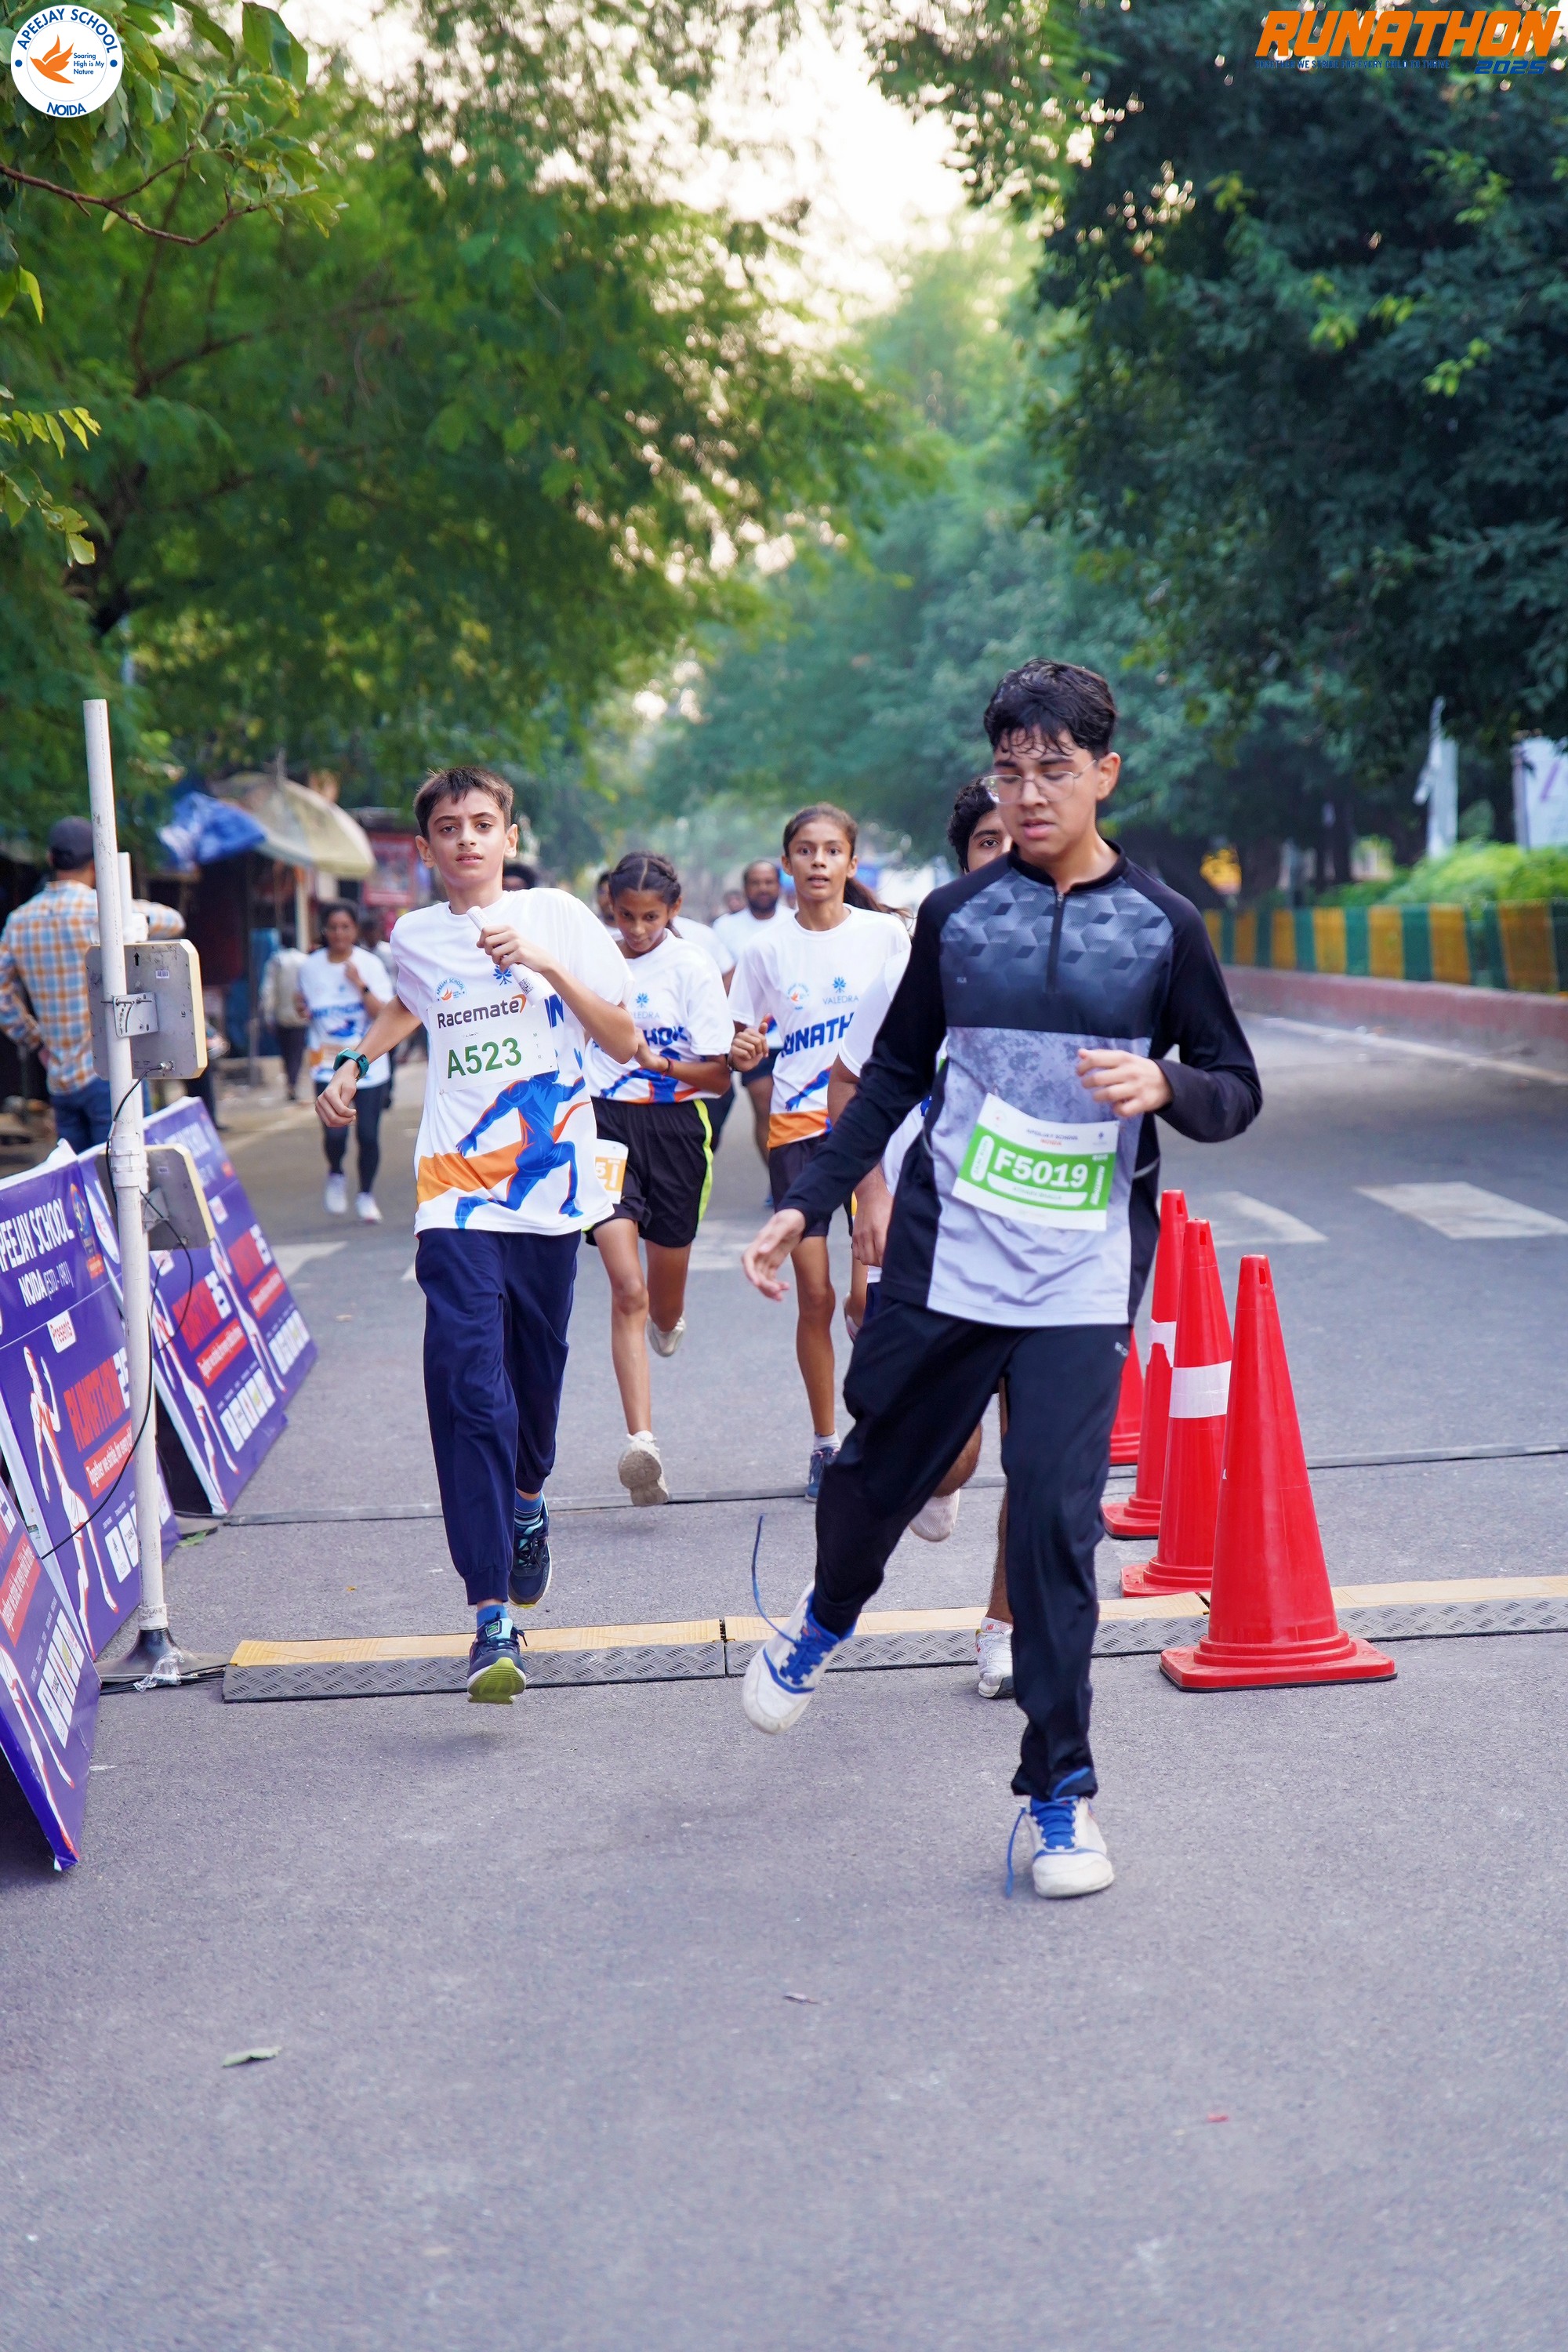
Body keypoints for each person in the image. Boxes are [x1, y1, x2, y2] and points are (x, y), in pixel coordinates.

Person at [738, 661, 1262, 1900]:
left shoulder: (1164, 927)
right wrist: (807, 1202)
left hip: (1082, 1270)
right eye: (1010, 772)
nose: (1029, 794)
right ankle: (827, 1612)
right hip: (951, 1253)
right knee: (875, 1469)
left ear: (1104, 774)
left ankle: (1059, 1797)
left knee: (1054, 1527)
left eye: (1055, 770)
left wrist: (1167, 1084)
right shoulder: (958, 918)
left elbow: (1235, 1087)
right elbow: (894, 1076)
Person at [316, 765, 634, 1704]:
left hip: (548, 1193)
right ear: (425, 850)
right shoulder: (414, 935)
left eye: (482, 824)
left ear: (508, 836)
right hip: (454, 1195)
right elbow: (408, 1003)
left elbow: (621, 1039)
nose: (466, 839)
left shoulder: (559, 917)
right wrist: (352, 1063)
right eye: (449, 827)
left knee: (533, 1388)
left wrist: (541, 964)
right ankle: (492, 1614)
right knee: (466, 1388)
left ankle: (529, 1499)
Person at [826, 777, 1011, 1558]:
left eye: (1019, 837)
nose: (1007, 855)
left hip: (1038, 1228)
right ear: (964, 860)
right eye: (987, 842)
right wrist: (870, 1195)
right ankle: (938, 1469)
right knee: (943, 1445)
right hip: (923, 1224)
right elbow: (845, 1083)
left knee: (1040, 1452)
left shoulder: (1088, 960)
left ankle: (1008, 1619)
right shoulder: (915, 962)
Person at [728, 807, 909, 1498]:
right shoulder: (765, 950)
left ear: (851, 863)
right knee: (817, 1294)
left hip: (868, 1126)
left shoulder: (885, 936)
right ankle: (825, 1444)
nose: (818, 862)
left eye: (832, 850)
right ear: (787, 865)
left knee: (867, 1298)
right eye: (805, 851)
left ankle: (883, 1426)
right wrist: (745, 1046)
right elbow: (742, 1037)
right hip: (796, 1134)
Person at [585, 853, 735, 1504]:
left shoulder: (691, 967)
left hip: (675, 1128)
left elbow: (719, 1077)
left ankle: (669, 1320)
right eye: (627, 916)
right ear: (610, 909)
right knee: (627, 1289)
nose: (639, 929)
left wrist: (658, 1062)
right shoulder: (592, 962)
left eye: (651, 916)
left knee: (661, 1304)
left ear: (673, 911)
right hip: (602, 1127)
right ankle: (642, 1444)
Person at [0, 817, 184, 1152]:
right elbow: (173, 921)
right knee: (126, 1172)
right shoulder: (103, 912)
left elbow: (2, 996)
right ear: (98, 864)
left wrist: (35, 1039)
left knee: (82, 1177)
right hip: (111, 1075)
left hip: (59, 1080)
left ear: (51, 859)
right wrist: (129, 912)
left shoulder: (18, 922)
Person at [297, 902, 391, 1221]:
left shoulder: (370, 965)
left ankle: (366, 1194)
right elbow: (303, 1005)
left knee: (368, 1135)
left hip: (369, 1063)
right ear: (324, 930)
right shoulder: (310, 967)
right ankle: (336, 1172)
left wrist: (359, 985)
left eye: (346, 927)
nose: (339, 934)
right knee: (335, 1133)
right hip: (328, 1063)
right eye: (333, 927)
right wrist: (301, 1009)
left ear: (355, 930)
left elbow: (385, 1014)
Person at [713, 859, 792, 1169]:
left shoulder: (795, 922)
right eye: (756, 883)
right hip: (751, 1036)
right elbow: (716, 980)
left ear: (779, 886)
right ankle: (778, 1177)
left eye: (768, 882)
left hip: (795, 1034)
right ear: (745, 888)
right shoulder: (725, 928)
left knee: (797, 1110)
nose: (762, 888)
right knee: (765, 1107)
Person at [260, 929, 309, 1101]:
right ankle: (293, 1082)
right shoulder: (303, 960)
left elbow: (268, 990)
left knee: (286, 1052)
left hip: (281, 1015)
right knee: (297, 1051)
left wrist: (268, 1014)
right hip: (300, 1015)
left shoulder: (276, 961)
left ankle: (291, 1082)